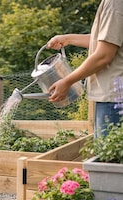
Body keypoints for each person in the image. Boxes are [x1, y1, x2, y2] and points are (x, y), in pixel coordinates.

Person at [46, 0, 123, 137]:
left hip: (114, 99)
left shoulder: (114, 3)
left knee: (108, 157)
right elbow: (105, 40)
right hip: (114, 96)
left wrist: (67, 81)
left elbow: (103, 55)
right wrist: (68, 39)